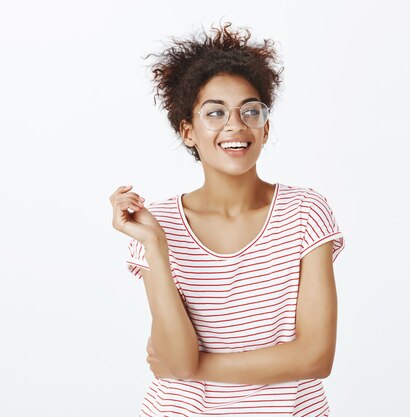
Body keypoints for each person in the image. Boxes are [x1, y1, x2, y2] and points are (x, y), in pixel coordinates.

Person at [109, 21, 344, 417]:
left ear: (265, 128)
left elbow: (316, 357)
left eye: (250, 111)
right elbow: (174, 357)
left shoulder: (305, 212)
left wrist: (199, 367)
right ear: (188, 132)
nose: (235, 125)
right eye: (215, 112)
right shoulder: (157, 224)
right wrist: (155, 247)